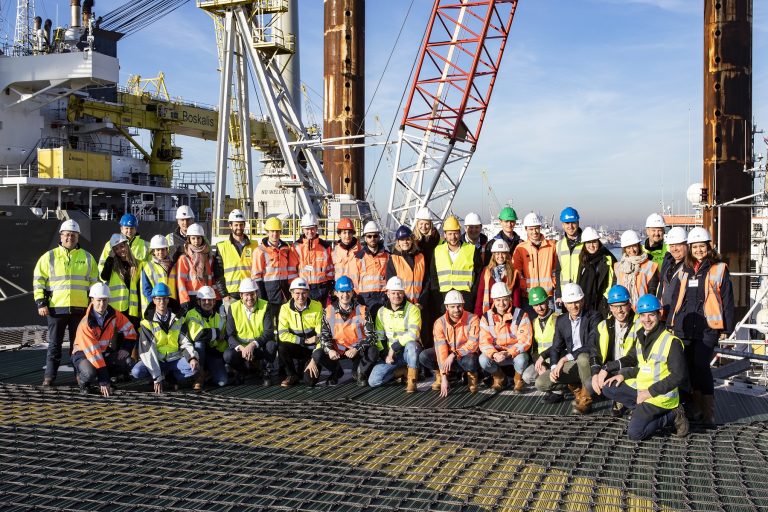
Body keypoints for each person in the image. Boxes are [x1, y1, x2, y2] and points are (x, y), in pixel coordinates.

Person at [593, 294, 689, 440]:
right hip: (643, 389)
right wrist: (618, 373)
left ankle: (673, 414)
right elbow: (637, 362)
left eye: (651, 315)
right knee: (608, 387)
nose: (647, 319)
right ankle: (641, 410)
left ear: (659, 314)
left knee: (635, 434)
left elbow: (678, 376)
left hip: (660, 397)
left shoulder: (671, 342)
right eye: (643, 315)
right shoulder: (641, 337)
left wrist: (649, 393)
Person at [668, 226, 734, 426]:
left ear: (709, 247)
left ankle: (707, 413)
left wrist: (726, 329)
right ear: (690, 248)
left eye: (702, 246)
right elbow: (676, 298)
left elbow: (727, 300)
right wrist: (671, 322)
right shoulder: (685, 270)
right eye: (695, 247)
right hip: (685, 326)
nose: (698, 250)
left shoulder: (719, 269)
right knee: (686, 366)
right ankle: (693, 408)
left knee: (701, 366)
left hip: (708, 327)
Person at [33, 219, 99, 386]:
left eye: (73, 235)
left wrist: (92, 307)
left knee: (78, 346)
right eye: (67, 234)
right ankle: (49, 377)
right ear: (61, 236)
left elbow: (94, 285)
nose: (70, 237)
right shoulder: (49, 257)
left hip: (80, 309)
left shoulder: (88, 258)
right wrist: (41, 302)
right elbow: (38, 281)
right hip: (56, 308)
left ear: (78, 237)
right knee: (54, 345)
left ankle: (80, 376)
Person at [535, 283, 600, 414]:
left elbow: (591, 344)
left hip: (588, 361)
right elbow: (555, 347)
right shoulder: (561, 320)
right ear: (565, 304)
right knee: (541, 383)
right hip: (572, 363)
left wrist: (564, 359)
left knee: (583, 358)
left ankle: (586, 399)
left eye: (577, 302)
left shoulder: (594, 316)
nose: (574, 306)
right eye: (570, 303)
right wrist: (554, 367)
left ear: (582, 301)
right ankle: (577, 390)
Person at [131, 283, 199, 394]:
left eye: (164, 298)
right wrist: (156, 376)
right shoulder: (147, 323)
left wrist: (192, 358)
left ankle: (171, 377)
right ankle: (160, 378)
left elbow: (185, 342)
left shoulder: (179, 319)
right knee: (136, 371)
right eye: (158, 299)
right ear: (153, 300)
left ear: (168, 299)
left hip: (175, 359)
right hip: (157, 360)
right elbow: (148, 352)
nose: (161, 302)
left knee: (194, 367)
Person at [71, 283, 137, 396]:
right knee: (89, 373)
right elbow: (94, 354)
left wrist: (126, 348)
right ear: (92, 300)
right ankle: (83, 381)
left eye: (105, 300)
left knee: (128, 362)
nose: (102, 304)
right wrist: (104, 381)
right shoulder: (86, 323)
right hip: (84, 355)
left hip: (102, 353)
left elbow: (130, 331)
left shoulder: (114, 315)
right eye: (99, 300)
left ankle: (106, 379)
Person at [314, 276, 381, 385]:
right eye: (342, 292)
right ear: (336, 293)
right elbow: (324, 336)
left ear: (352, 292)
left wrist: (356, 348)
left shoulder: (363, 310)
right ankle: (336, 370)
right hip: (338, 350)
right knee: (318, 354)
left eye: (348, 291)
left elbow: (372, 337)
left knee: (373, 351)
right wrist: (330, 350)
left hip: (356, 350)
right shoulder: (328, 311)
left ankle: (360, 372)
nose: (345, 295)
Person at [420, 290, 481, 397]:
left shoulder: (473, 319)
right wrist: (443, 375)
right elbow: (441, 349)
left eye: (459, 306)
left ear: (463, 305)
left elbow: (473, 344)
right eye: (452, 307)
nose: (456, 310)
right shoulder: (440, 323)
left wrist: (454, 354)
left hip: (464, 355)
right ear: (446, 307)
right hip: (447, 356)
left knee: (471, 361)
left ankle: (471, 376)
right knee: (424, 356)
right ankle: (441, 375)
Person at [590, 285, 638, 417]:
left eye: (623, 305)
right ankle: (617, 396)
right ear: (610, 308)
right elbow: (594, 351)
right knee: (590, 384)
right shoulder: (603, 326)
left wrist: (607, 367)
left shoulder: (639, 324)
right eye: (615, 306)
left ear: (630, 305)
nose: (619, 310)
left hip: (631, 369)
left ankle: (634, 403)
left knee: (620, 377)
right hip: (612, 368)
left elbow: (634, 356)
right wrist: (595, 373)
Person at [368, 277, 423, 392]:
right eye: (393, 293)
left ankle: (412, 381)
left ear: (403, 293)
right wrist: (385, 355)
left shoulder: (412, 309)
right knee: (374, 381)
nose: (396, 296)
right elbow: (379, 336)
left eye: (399, 293)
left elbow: (414, 333)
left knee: (412, 345)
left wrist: (394, 347)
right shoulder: (381, 312)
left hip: (407, 352)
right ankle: (401, 372)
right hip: (392, 355)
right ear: (387, 294)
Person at [478, 282, 532, 392]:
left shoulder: (521, 314)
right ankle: (500, 378)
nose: (501, 303)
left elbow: (525, 340)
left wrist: (508, 353)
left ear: (509, 298)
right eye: (498, 300)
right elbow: (484, 342)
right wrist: (494, 354)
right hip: (497, 354)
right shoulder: (486, 317)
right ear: (493, 300)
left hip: (515, 354)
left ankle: (518, 379)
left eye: (504, 299)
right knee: (483, 360)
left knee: (521, 360)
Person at [224, 278, 276, 386]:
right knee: (228, 355)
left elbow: (269, 332)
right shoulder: (233, 308)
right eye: (246, 294)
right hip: (242, 348)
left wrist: (252, 345)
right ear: (241, 295)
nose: (250, 297)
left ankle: (265, 372)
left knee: (271, 345)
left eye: (252, 294)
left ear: (256, 293)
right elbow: (229, 335)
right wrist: (242, 348)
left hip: (258, 346)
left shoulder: (265, 306)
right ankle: (242, 370)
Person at [277, 278, 324, 387]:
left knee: (309, 382)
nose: (300, 296)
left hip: (313, 350)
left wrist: (314, 359)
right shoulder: (285, 309)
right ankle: (292, 375)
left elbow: (321, 335)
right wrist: (302, 341)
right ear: (292, 293)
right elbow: (282, 334)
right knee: (282, 347)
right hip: (298, 347)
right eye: (297, 293)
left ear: (308, 292)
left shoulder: (317, 306)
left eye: (304, 293)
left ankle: (311, 364)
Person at [430, 215, 482, 311]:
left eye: (455, 233)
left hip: (466, 297)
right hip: (444, 297)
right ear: (445, 235)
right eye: (450, 234)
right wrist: (437, 298)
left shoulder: (471, 250)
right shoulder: (437, 251)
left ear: (460, 233)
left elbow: (479, 275)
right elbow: (433, 277)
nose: (453, 237)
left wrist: (472, 294)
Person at [251, 216, 299, 320]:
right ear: (267, 232)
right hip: (268, 294)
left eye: (277, 231)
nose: (275, 234)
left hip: (284, 293)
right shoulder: (260, 251)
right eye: (272, 231)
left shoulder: (286, 249)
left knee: (284, 323)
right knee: (268, 323)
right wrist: (261, 297)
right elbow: (256, 276)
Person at [172, 223, 226, 313]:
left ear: (202, 239)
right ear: (189, 239)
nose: (196, 241)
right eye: (193, 238)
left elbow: (213, 278)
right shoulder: (184, 258)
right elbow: (180, 281)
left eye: (198, 238)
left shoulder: (209, 257)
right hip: (191, 298)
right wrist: (184, 299)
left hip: (207, 297)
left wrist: (217, 297)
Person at [521, 287, 561, 401]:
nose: (540, 308)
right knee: (527, 376)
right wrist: (540, 363)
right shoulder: (534, 323)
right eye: (536, 305)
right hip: (542, 361)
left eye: (542, 303)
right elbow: (534, 350)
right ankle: (549, 386)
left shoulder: (558, 319)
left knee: (554, 375)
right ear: (532, 306)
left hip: (556, 361)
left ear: (547, 301)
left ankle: (559, 390)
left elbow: (561, 345)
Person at [184, 285, 227, 390]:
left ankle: (207, 373)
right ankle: (199, 376)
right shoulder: (192, 314)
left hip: (212, 352)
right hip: (196, 353)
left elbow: (223, 342)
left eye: (210, 300)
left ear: (214, 302)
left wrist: (224, 357)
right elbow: (198, 335)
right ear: (198, 301)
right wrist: (217, 333)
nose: (207, 302)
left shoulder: (219, 318)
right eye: (204, 300)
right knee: (200, 343)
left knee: (222, 382)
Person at [512, 213, 557, 310]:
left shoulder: (551, 246)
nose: (534, 232)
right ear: (526, 229)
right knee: (529, 320)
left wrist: (553, 283)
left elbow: (556, 269)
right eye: (531, 229)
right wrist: (524, 286)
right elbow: (516, 271)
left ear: (540, 228)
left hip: (547, 296)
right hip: (528, 296)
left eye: (536, 228)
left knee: (550, 319)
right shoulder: (521, 248)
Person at [216, 209, 256, 304]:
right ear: (230, 226)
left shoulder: (254, 246)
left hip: (249, 293)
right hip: (231, 295)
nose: (239, 227)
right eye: (236, 225)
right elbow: (218, 274)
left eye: (241, 224)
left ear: (244, 225)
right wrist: (224, 295)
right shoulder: (222, 247)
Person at [100, 234, 142, 326]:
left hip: (132, 310)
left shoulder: (137, 264)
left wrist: (140, 309)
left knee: (132, 334)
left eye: (122, 246)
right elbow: (104, 276)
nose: (120, 250)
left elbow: (139, 288)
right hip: (116, 308)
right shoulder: (112, 264)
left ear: (127, 245)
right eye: (116, 249)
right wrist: (110, 257)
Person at [576, 226, 616, 319]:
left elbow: (614, 280)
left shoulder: (608, 259)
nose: (592, 245)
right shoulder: (582, 259)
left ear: (599, 242)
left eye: (594, 242)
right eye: (588, 242)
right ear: (584, 244)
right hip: (585, 304)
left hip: (602, 304)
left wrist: (607, 300)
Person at [293, 213, 334, 304]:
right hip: (303, 289)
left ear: (316, 228)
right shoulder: (296, 247)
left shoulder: (325, 247)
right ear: (303, 229)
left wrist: (330, 286)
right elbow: (292, 271)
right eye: (307, 229)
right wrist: (294, 289)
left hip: (322, 289)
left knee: (321, 312)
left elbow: (330, 269)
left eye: (312, 228)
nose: (310, 231)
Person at [615, 230, 659, 309]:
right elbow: (615, 290)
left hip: (644, 309)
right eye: (628, 247)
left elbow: (653, 292)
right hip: (623, 310)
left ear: (639, 246)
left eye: (634, 246)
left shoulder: (650, 265)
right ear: (624, 249)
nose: (632, 250)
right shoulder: (618, 267)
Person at [475, 239, 521, 315]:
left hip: (507, 311)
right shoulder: (486, 271)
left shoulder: (513, 272)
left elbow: (516, 298)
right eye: (497, 253)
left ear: (507, 254)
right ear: (493, 255)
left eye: (503, 253)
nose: (500, 256)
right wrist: (478, 314)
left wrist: (516, 315)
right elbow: (480, 294)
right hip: (489, 311)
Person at [386, 225, 429, 308]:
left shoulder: (421, 257)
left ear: (412, 240)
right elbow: (391, 286)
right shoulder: (393, 260)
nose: (405, 242)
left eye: (407, 239)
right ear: (398, 242)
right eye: (402, 240)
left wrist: (421, 302)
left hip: (420, 305)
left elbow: (426, 282)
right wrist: (406, 303)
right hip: (402, 305)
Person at [354, 221, 389, 311]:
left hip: (383, 297)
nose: (372, 238)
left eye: (375, 236)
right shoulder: (358, 257)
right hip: (365, 300)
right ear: (365, 238)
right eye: (369, 236)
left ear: (379, 237)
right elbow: (354, 281)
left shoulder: (388, 256)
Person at [141, 234, 177, 313]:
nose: (160, 252)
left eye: (163, 249)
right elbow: (146, 289)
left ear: (167, 250)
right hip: (157, 305)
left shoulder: (173, 265)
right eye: (157, 250)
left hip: (171, 303)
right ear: (153, 251)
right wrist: (154, 304)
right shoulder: (147, 267)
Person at [554, 206, 583, 306]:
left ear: (578, 223)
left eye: (573, 222)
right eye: (567, 223)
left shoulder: (586, 243)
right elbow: (558, 271)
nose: (570, 226)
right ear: (562, 225)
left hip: (581, 293)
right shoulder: (559, 245)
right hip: (565, 295)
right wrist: (558, 294)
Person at [659, 227, 688, 320]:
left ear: (687, 245)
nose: (674, 249)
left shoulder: (690, 266)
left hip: (680, 316)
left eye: (678, 245)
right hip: (665, 315)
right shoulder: (668, 265)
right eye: (672, 246)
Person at [332, 217, 361, 284]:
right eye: (344, 233)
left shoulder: (361, 250)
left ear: (353, 234)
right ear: (339, 234)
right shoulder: (334, 252)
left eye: (349, 233)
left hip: (356, 289)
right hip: (339, 288)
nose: (347, 236)